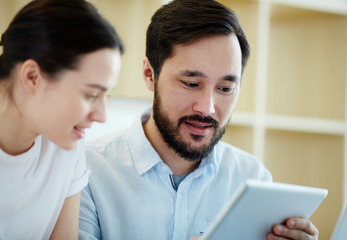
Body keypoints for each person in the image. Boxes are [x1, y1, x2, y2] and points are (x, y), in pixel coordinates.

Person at [79, 0, 319, 240]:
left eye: (225, 88)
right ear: (150, 74)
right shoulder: (88, 174)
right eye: (191, 84)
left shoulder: (252, 178)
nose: (207, 108)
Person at [0, 0, 123, 239]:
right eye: (91, 94)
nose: (101, 116)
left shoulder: (65, 143)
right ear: (31, 77)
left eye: (106, 96)